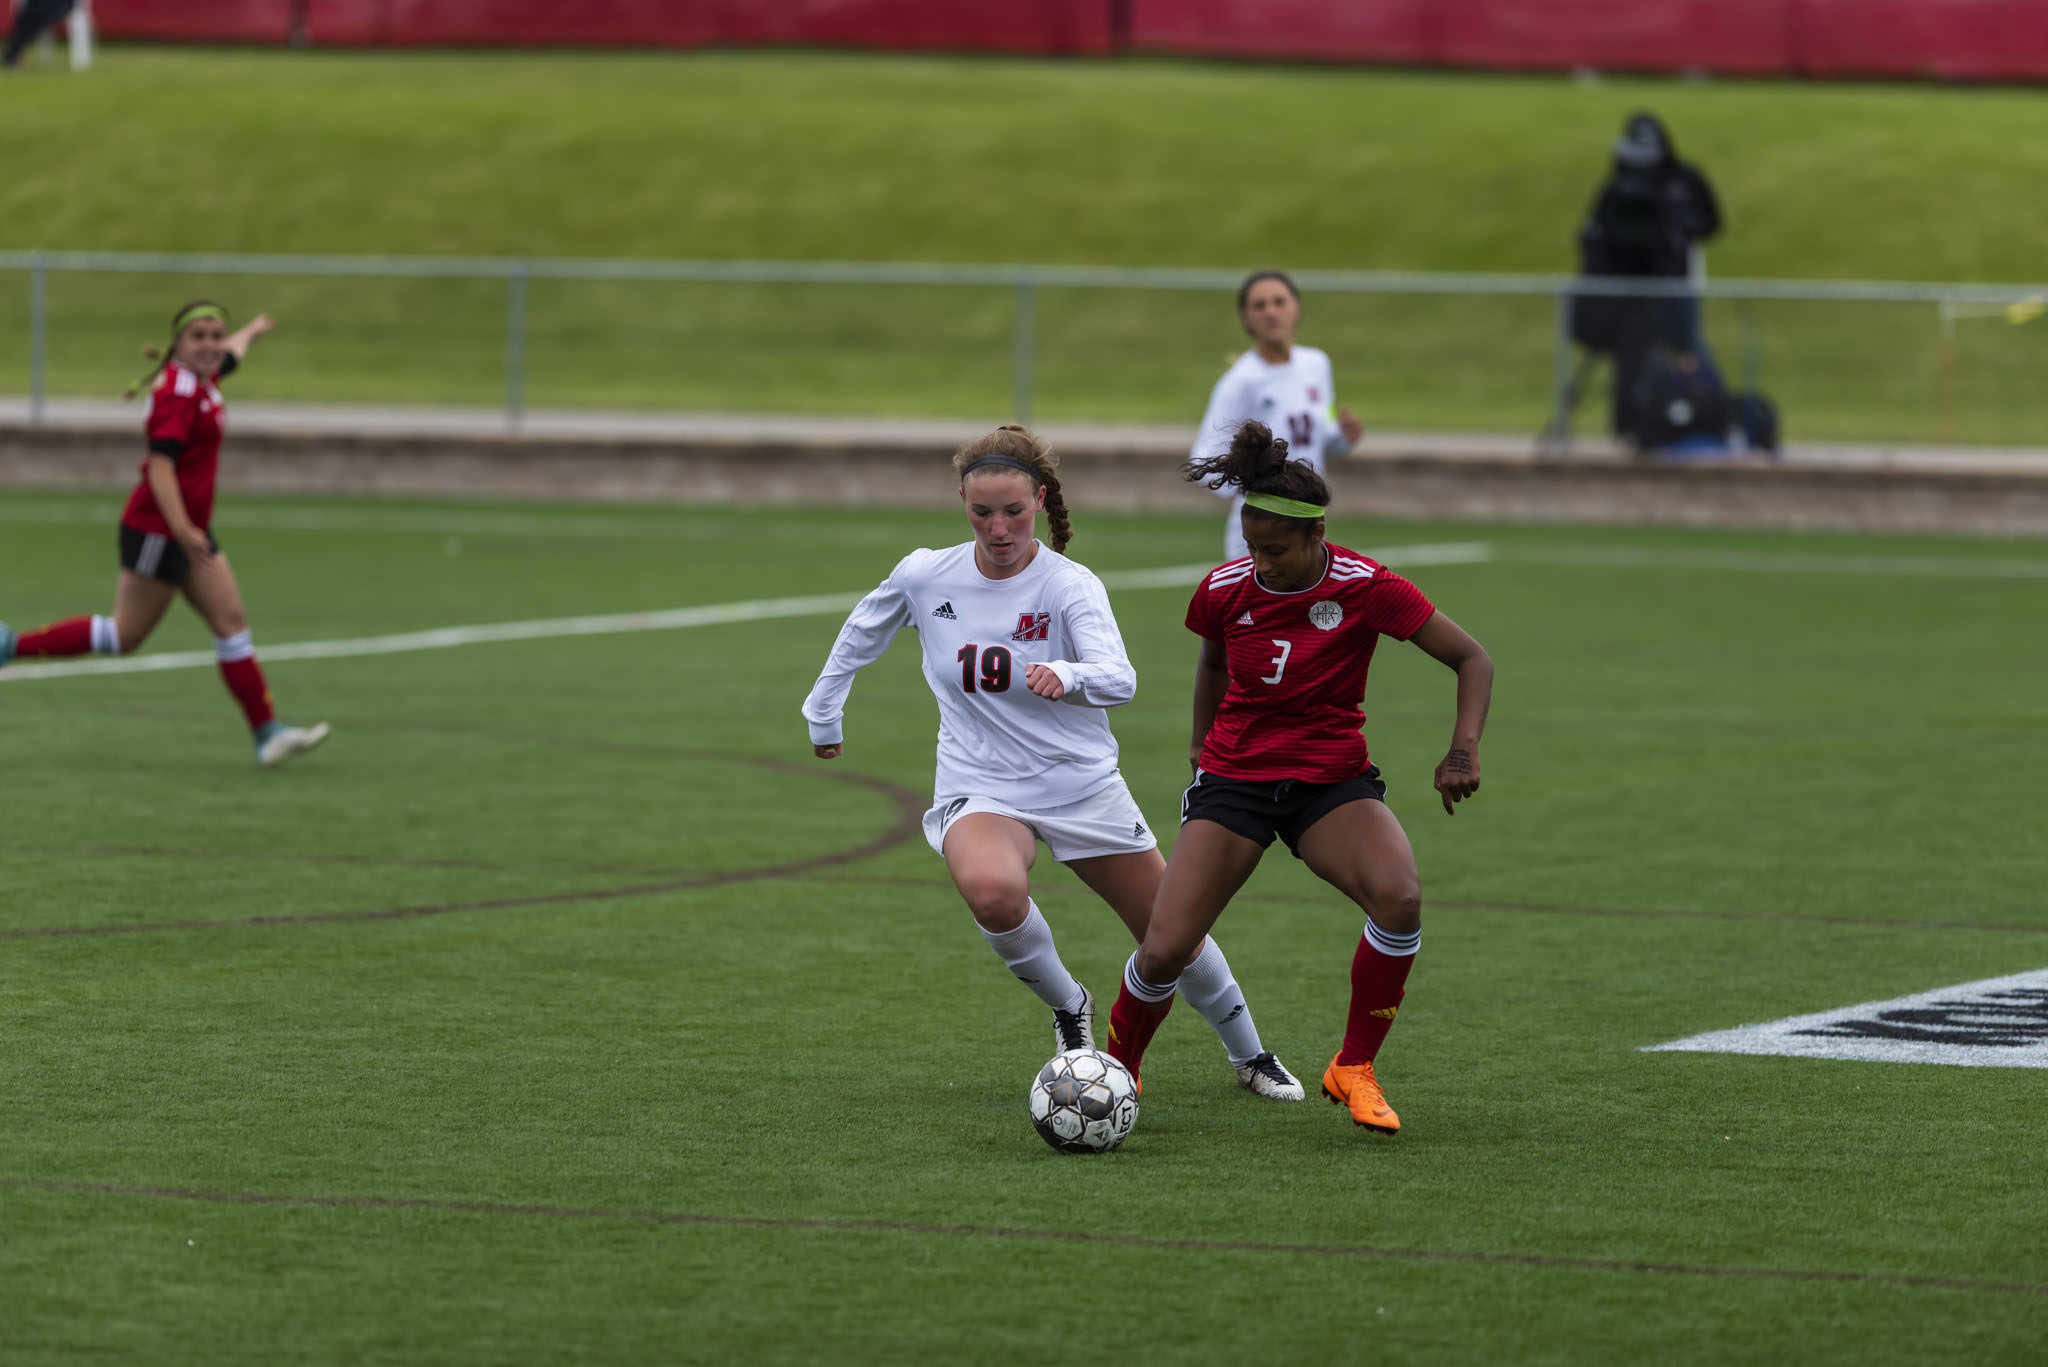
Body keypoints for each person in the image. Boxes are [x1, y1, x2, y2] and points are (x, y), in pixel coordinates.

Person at [802, 425, 1304, 1099]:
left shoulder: (1070, 585)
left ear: (1039, 499)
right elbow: (862, 629)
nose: (998, 527)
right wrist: (823, 712)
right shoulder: (926, 574)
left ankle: (1250, 1053)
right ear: (961, 502)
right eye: (982, 512)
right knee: (992, 891)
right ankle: (1070, 1007)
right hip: (980, 783)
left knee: (1171, 935)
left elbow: (1119, 677)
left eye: (1013, 510)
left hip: (1079, 784)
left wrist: (1065, 675)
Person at [1101, 420, 1493, 1136]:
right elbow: (1214, 662)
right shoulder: (1223, 589)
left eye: (1275, 550)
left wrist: (1462, 749)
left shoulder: (1368, 586)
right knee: (1165, 947)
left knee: (1400, 899)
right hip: (1236, 780)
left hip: (1328, 782)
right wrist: (1199, 740)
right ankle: (1113, 1073)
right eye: (1251, 548)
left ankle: (1354, 1066)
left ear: (1317, 537)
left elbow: (1473, 658)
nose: (1261, 564)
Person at [0, 301, 330, 767]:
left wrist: (252, 331)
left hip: (189, 531)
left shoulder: (203, 377)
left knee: (231, 623)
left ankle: (267, 733)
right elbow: (160, 467)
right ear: (177, 343)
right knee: (124, 635)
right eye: (199, 336)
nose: (212, 345)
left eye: (217, 335)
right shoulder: (177, 392)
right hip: (159, 531)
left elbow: (231, 353)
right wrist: (181, 529)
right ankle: (10, 646)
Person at [1191, 270, 1363, 562]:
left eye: (1279, 302)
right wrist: (1260, 485)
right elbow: (1202, 459)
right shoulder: (1241, 381)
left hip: (1309, 517)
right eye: (1259, 306)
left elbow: (1319, 439)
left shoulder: (1317, 364)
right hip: (1262, 529)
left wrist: (1344, 438)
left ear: (1296, 308)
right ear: (1246, 319)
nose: (1271, 312)